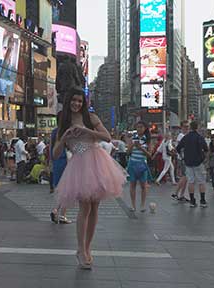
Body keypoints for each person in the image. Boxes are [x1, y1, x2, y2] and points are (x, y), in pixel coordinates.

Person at [52, 88, 125, 269]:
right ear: (68, 102)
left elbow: (107, 137)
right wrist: (65, 138)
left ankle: (87, 247)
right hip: (79, 165)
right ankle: (80, 249)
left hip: (97, 161)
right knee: (85, 207)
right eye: (73, 101)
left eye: (79, 101)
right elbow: (55, 154)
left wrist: (86, 130)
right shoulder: (63, 123)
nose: (76, 104)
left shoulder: (91, 118)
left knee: (94, 207)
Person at [175, 121, 209, 208]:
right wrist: (203, 158)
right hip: (198, 162)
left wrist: (183, 157)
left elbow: (178, 148)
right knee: (201, 182)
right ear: (197, 127)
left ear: (190, 127)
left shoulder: (186, 137)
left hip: (188, 162)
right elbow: (206, 149)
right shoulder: (199, 137)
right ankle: (202, 200)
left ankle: (192, 201)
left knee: (191, 181)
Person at [49, 112, 71, 224]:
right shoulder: (67, 132)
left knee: (60, 188)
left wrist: (50, 162)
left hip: (56, 161)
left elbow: (50, 148)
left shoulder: (54, 132)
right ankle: (61, 214)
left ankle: (57, 211)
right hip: (66, 161)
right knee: (66, 189)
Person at [127, 121, 152, 212]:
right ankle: (133, 205)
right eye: (138, 127)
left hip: (142, 164)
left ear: (145, 128)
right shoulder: (132, 138)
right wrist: (133, 145)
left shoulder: (147, 140)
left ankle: (142, 205)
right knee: (132, 184)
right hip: (132, 163)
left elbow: (150, 155)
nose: (139, 129)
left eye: (141, 127)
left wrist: (141, 148)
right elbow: (128, 152)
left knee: (143, 186)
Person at [172, 121, 190, 202]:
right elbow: (180, 148)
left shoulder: (186, 135)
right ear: (182, 127)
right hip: (183, 159)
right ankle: (176, 193)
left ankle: (182, 195)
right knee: (184, 176)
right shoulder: (181, 136)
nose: (187, 128)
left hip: (187, 158)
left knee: (186, 178)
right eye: (185, 126)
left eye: (188, 126)